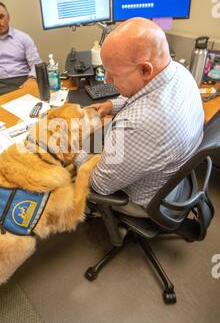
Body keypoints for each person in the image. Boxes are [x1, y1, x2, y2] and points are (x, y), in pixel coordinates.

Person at [75, 17, 204, 218]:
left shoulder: (140, 125)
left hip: (149, 202)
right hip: (177, 178)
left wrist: (77, 155)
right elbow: (140, 95)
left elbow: (101, 184)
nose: (107, 80)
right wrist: (111, 105)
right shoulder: (179, 71)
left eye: (114, 74)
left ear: (145, 69)